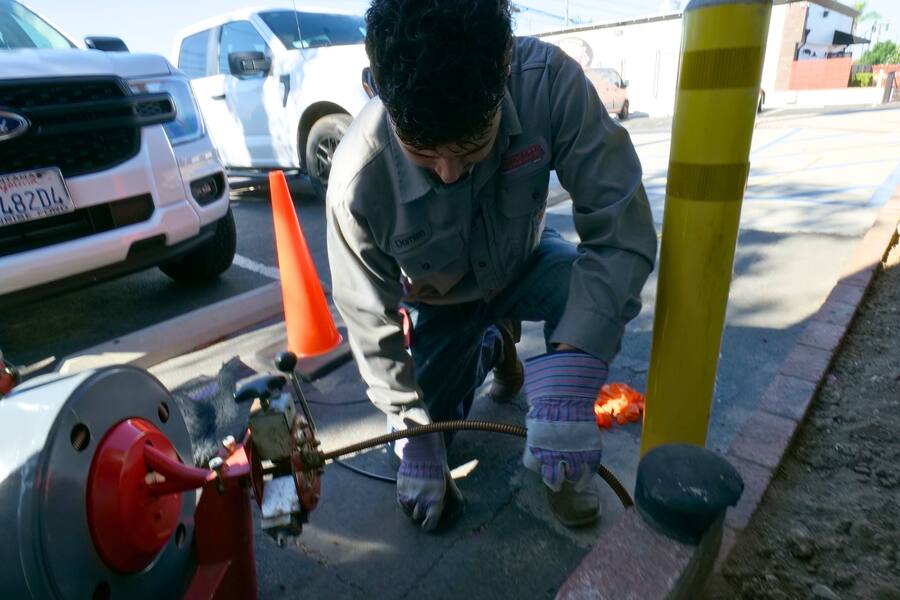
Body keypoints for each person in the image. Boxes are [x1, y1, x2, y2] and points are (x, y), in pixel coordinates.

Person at [326, 0, 657, 531]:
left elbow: (621, 231)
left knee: (580, 288)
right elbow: (368, 321)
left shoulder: (550, 84)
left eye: (472, 146)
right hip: (443, 302)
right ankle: (493, 347)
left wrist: (574, 374)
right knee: (432, 442)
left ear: (505, 64)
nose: (449, 173)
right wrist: (411, 425)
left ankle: (562, 465)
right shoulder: (356, 180)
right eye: (423, 154)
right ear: (378, 87)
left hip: (527, 264)